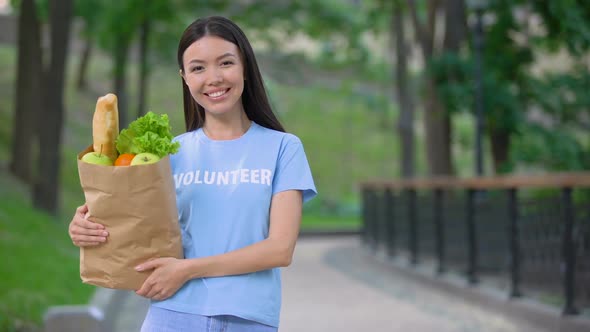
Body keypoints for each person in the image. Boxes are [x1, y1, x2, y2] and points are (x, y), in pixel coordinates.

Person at [68, 15, 317, 332]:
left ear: (245, 68)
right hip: (172, 315)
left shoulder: (283, 148)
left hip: (249, 320)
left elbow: (280, 249)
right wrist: (86, 228)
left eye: (225, 63)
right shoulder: (166, 155)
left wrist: (187, 270)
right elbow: (133, 227)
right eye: (198, 68)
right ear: (185, 78)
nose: (213, 77)